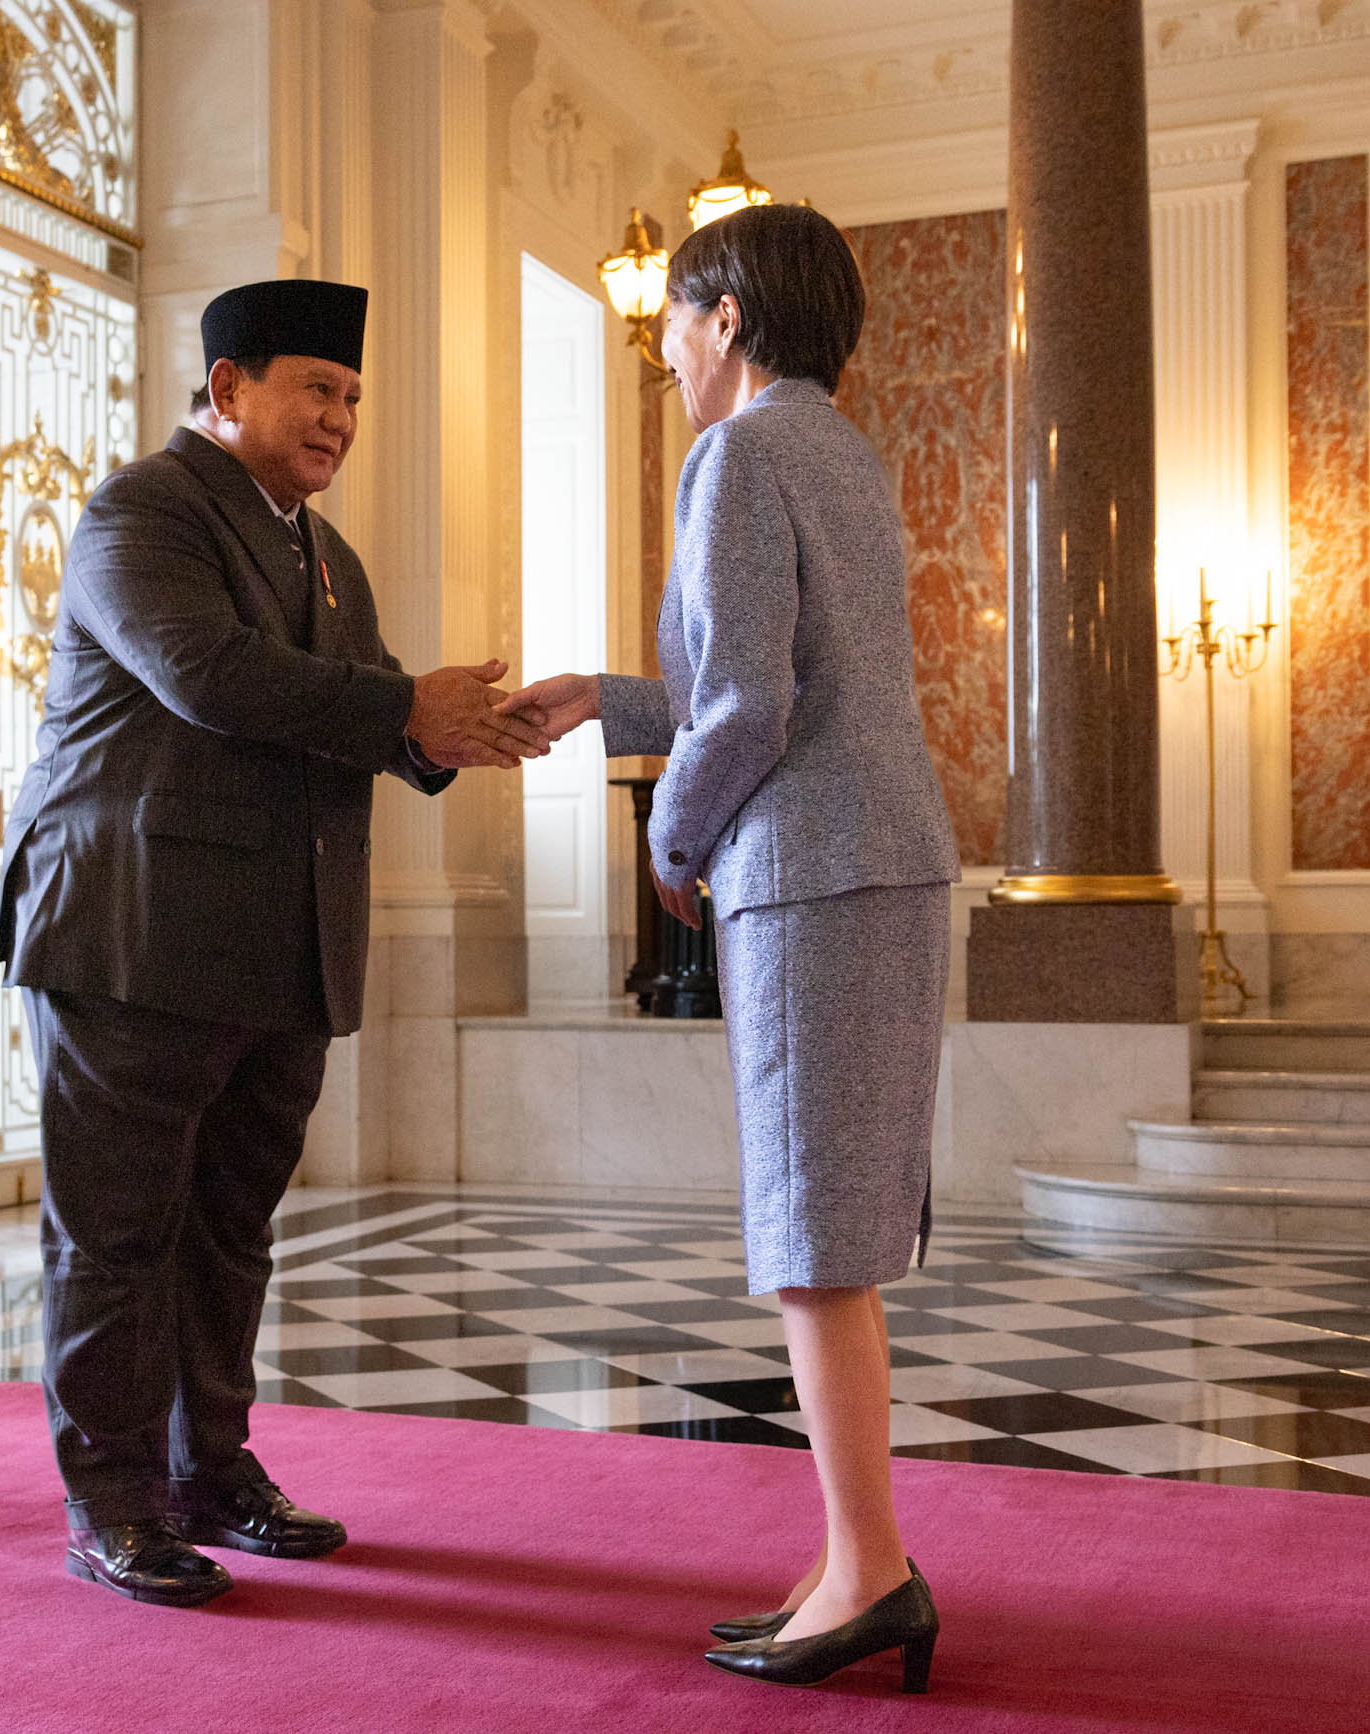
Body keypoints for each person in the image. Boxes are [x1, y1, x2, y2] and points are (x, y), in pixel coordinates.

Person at [0, 278, 549, 1609]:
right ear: (229, 387)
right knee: (119, 1236)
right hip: (129, 931)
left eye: (352, 395)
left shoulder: (326, 554)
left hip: (277, 948)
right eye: (317, 388)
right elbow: (210, 675)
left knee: (230, 1230)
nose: (340, 417)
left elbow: (356, 713)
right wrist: (404, 708)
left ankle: (211, 1470)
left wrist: (456, 730)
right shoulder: (142, 512)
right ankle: (114, 1500)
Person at [501, 203, 959, 1692]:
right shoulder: (840, 450)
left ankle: (871, 1572)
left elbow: (753, 707)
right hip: (881, 858)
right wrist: (606, 697)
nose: (672, 358)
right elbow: (780, 682)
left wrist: (672, 837)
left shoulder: (738, 454)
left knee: (813, 1237)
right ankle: (847, 1557)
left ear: (729, 319)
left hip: (810, 873)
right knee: (832, 1229)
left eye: (676, 328)